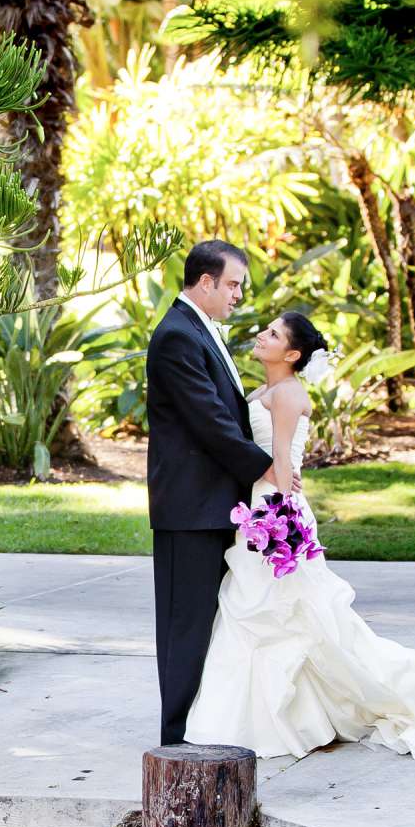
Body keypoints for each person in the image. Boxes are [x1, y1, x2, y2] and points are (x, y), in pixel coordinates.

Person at [183, 308, 415, 759]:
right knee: (261, 613)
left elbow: (281, 461)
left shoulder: (288, 394)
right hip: (262, 503)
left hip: (275, 511)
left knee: (285, 614)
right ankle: (270, 718)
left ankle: (302, 715)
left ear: (292, 353)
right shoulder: (269, 389)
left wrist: (277, 516)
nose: (262, 335)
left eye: (273, 334)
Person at [147, 240, 275, 745]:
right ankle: (176, 739)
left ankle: (203, 727)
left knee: (212, 624)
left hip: (213, 504)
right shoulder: (178, 336)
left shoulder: (197, 330)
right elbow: (211, 423)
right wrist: (269, 469)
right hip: (189, 509)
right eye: (233, 284)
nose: (239, 295)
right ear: (206, 282)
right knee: (186, 627)